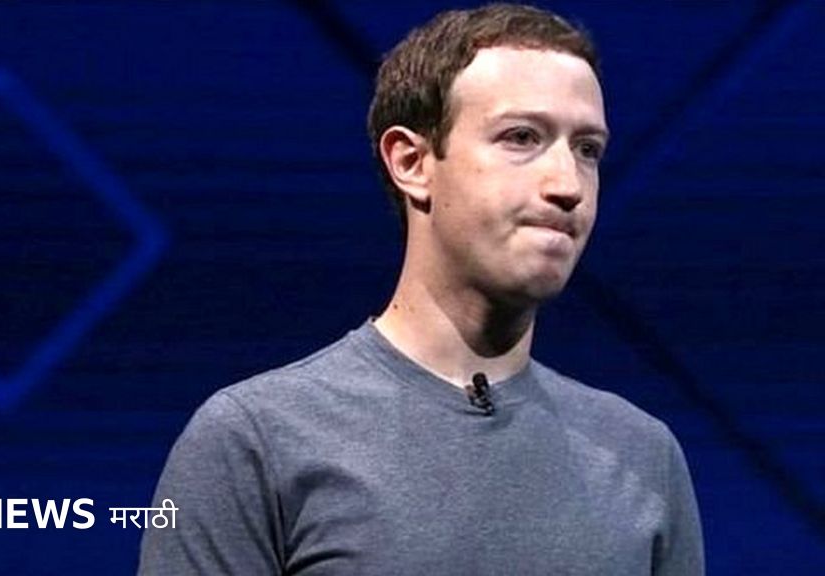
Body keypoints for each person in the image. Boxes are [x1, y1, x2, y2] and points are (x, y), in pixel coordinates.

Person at [138, 3, 704, 575]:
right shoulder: (256, 440)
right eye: (522, 137)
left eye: (587, 150)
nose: (567, 185)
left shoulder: (642, 456)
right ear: (411, 162)